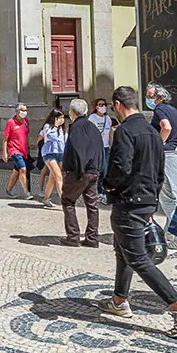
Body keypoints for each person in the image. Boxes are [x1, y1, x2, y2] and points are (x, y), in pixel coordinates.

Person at [97, 87, 177, 336]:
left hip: (129, 201)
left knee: (137, 258)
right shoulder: (153, 132)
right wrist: (153, 200)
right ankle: (119, 300)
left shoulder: (125, 131)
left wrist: (107, 185)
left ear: (118, 105)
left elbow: (120, 168)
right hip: (147, 200)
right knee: (123, 251)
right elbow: (159, 169)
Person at [60, 98, 104, 247]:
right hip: (93, 170)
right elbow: (100, 148)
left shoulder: (76, 128)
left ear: (72, 113)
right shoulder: (93, 127)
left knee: (68, 200)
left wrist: (75, 170)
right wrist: (99, 169)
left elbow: (76, 150)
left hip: (79, 171)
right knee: (92, 204)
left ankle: (73, 236)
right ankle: (92, 238)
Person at [148, 85, 177, 224]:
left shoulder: (159, 109)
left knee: (175, 195)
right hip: (171, 152)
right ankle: (172, 230)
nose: (148, 99)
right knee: (166, 196)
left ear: (160, 97)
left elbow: (166, 127)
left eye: (150, 96)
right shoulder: (173, 110)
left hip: (168, 155)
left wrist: (159, 143)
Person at [37, 109, 66, 209]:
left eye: (63, 118)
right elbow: (51, 136)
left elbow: (64, 141)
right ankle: (65, 202)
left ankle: (46, 199)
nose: (62, 120)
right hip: (49, 153)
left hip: (60, 153)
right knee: (58, 176)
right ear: (54, 118)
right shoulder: (48, 126)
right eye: (59, 118)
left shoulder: (62, 128)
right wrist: (55, 126)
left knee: (53, 177)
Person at [2, 104, 32, 200]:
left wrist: (28, 149)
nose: (24, 112)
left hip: (23, 151)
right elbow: (5, 139)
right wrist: (5, 153)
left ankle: (9, 189)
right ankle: (26, 192)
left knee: (16, 171)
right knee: (23, 169)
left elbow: (25, 136)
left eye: (26, 110)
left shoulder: (26, 122)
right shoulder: (10, 122)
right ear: (17, 111)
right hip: (14, 150)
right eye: (22, 110)